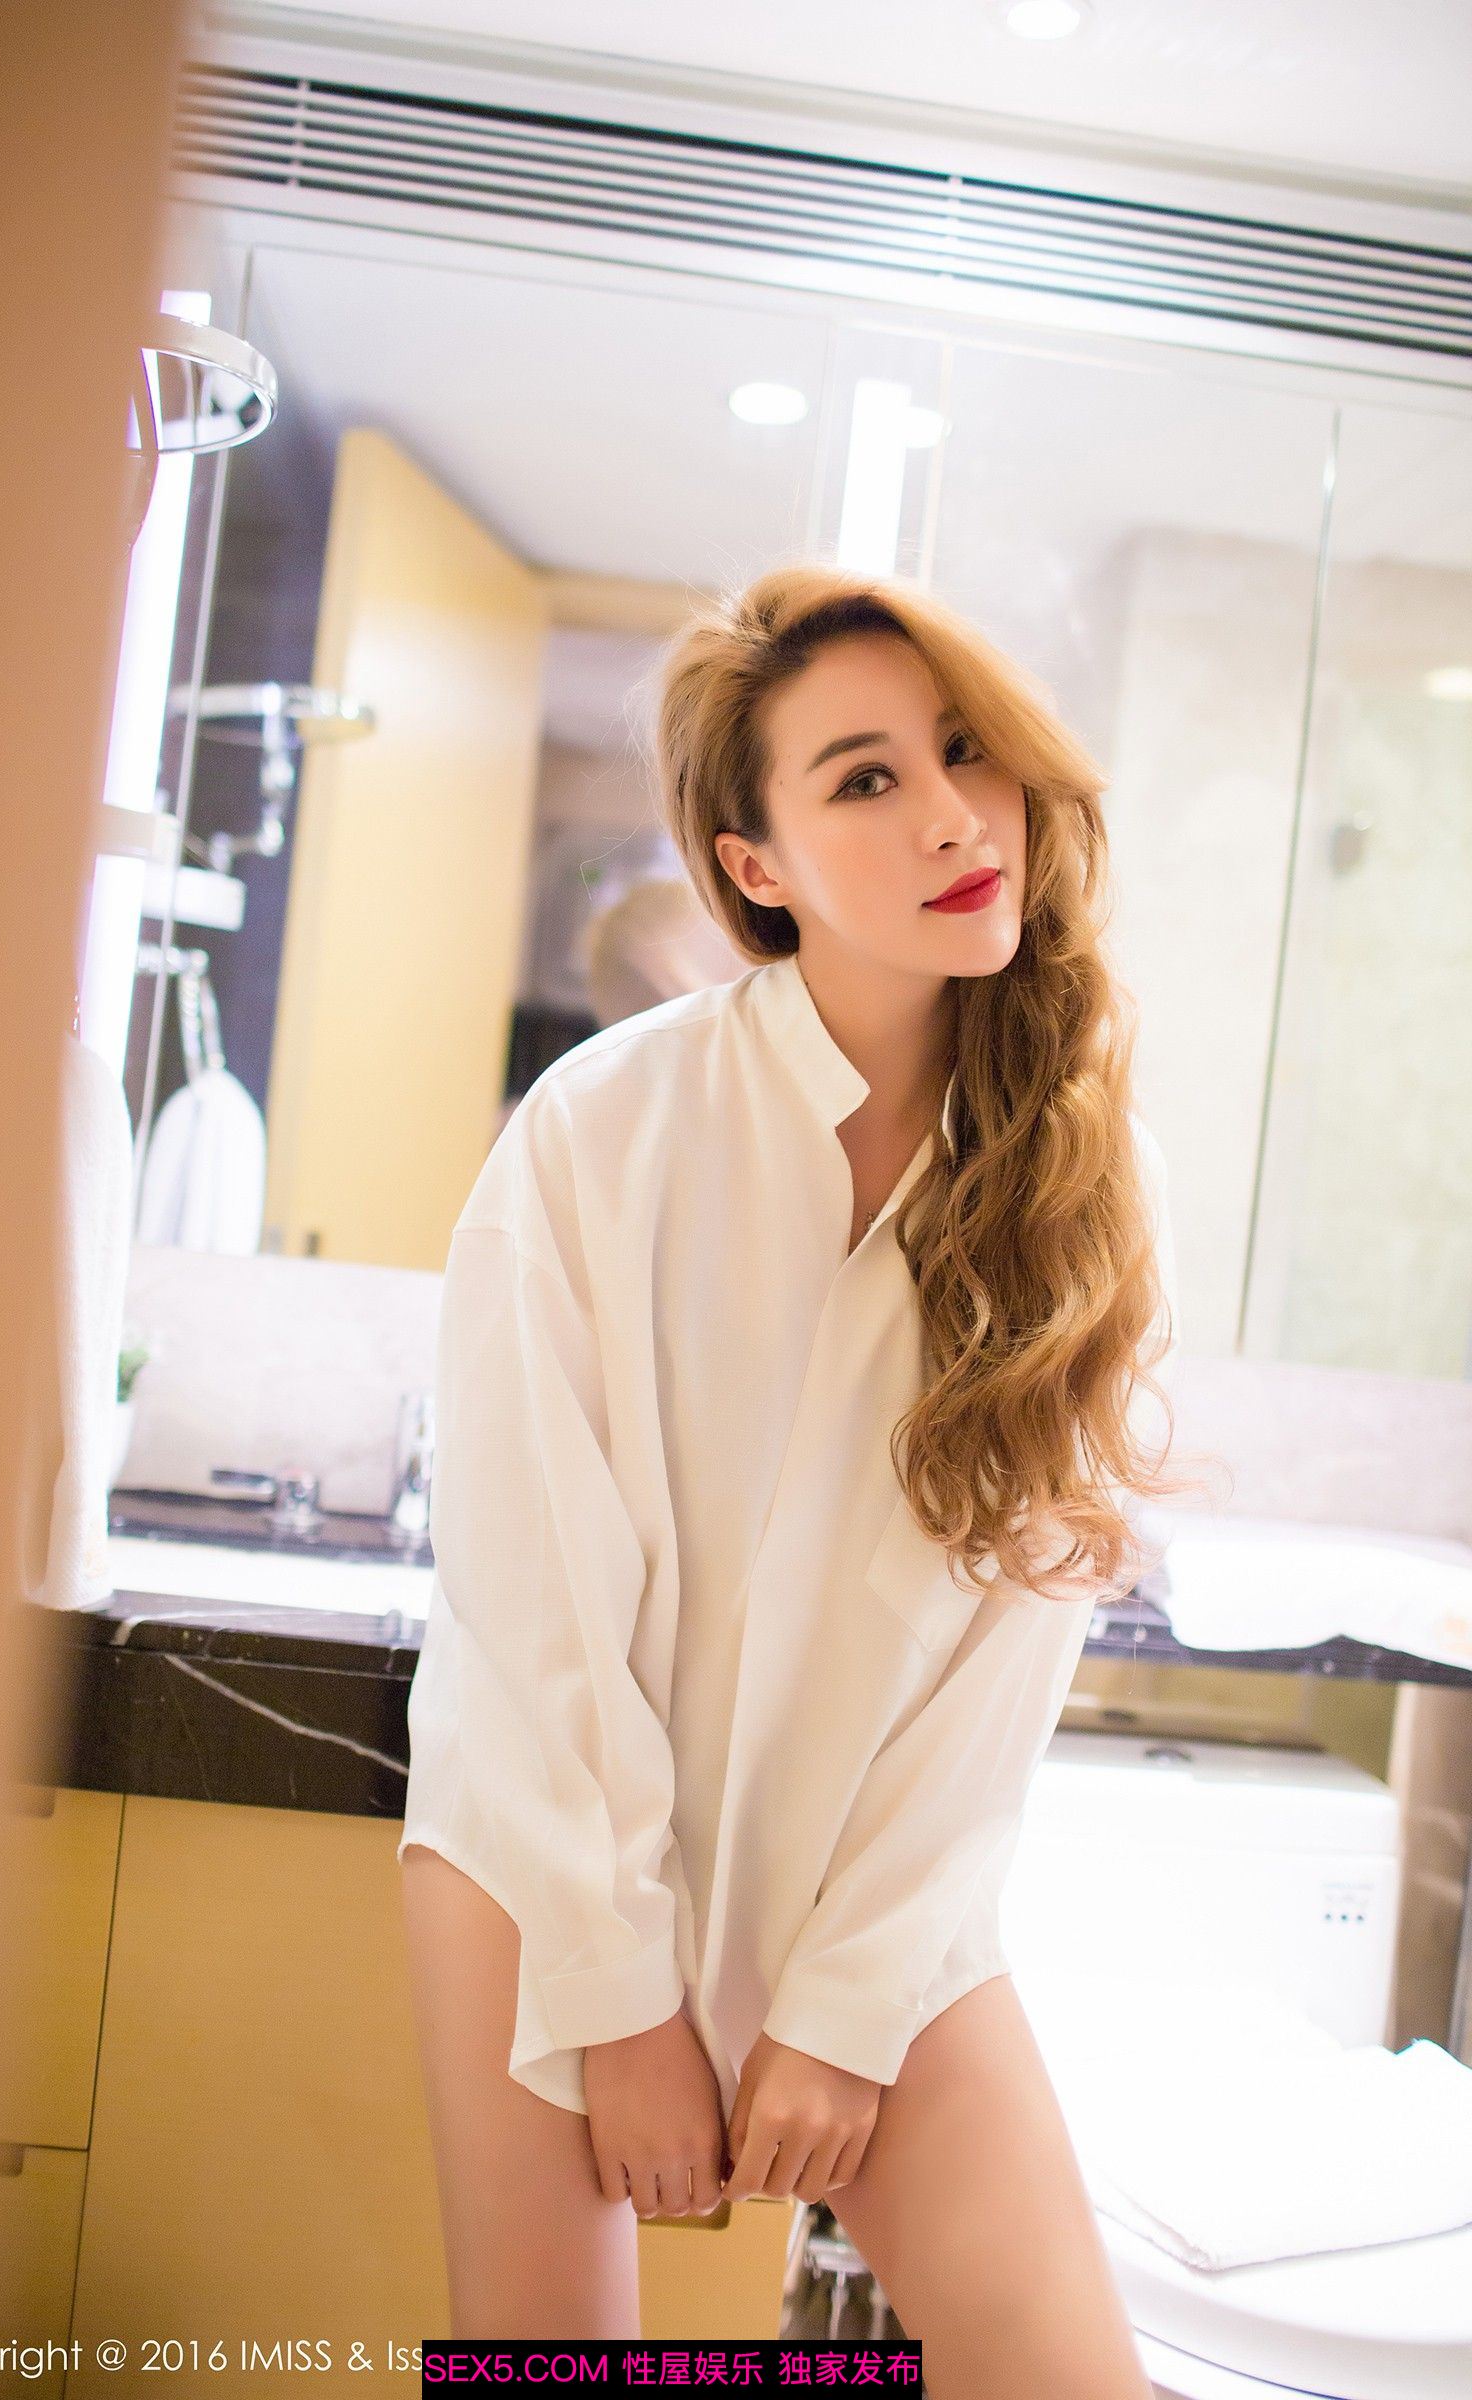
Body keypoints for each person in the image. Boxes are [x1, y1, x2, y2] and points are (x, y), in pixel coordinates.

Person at [399, 561, 1202, 2389]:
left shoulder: (1096, 1183)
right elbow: (531, 1606)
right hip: (546, 1863)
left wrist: (846, 2011)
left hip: (873, 1879)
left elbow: (1010, 1653)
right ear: (753, 865)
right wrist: (618, 1996)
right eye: (866, 779)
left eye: (968, 751)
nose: (956, 817)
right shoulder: (604, 1127)